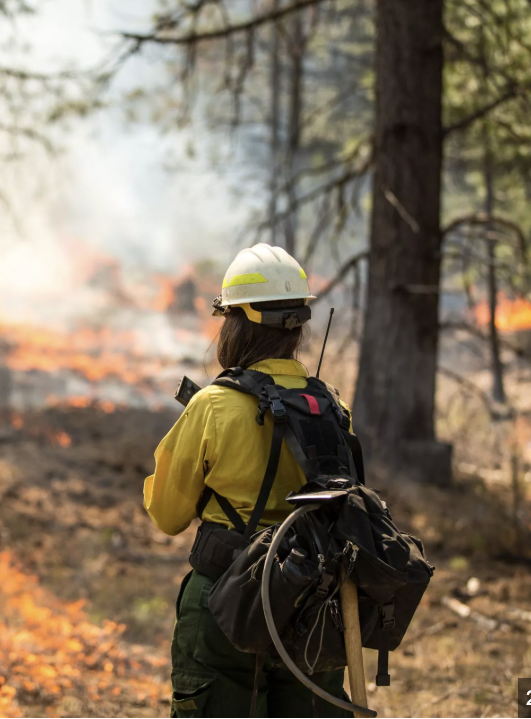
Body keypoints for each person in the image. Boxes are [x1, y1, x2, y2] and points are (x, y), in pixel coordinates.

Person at [144, 243, 354, 718]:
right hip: (314, 609)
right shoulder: (333, 409)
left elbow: (168, 515)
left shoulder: (213, 406)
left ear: (236, 324)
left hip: (225, 601)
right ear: (297, 327)